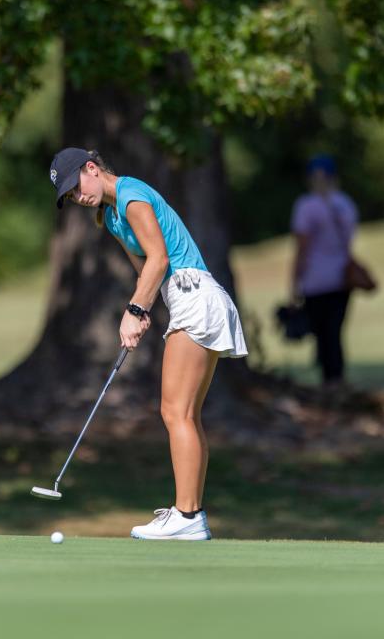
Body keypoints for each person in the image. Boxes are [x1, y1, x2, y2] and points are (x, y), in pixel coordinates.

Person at [49, 147, 247, 541]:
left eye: (76, 186)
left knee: (175, 412)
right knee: (185, 414)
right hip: (186, 301)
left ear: (92, 168)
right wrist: (144, 312)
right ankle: (191, 515)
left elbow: (158, 259)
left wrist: (135, 311)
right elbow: (146, 272)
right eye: (69, 196)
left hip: (195, 295)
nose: (77, 196)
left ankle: (186, 515)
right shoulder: (109, 216)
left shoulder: (131, 195)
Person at [290, 155, 359, 388]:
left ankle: (330, 380)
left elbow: (302, 248)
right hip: (342, 277)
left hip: (315, 279)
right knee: (335, 330)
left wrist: (294, 282)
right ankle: (336, 377)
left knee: (322, 332)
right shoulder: (346, 204)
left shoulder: (306, 206)